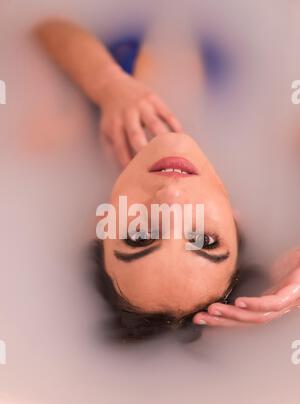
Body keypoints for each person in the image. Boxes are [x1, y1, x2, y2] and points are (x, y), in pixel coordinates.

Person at [35, 19, 300, 340]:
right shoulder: (276, 142)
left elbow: (43, 25)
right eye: (204, 240)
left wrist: (105, 83)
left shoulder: (66, 134)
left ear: (101, 222)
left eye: (140, 234)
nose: (172, 200)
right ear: (235, 220)